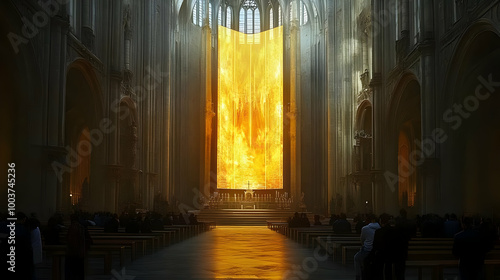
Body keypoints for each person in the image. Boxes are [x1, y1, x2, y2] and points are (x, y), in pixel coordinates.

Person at [372, 213, 408, 280]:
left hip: (384, 258)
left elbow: (375, 246)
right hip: (397, 258)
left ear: (380, 221)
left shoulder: (379, 232)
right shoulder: (399, 231)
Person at [66, 213, 93, 280]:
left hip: (73, 253)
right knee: (80, 272)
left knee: (72, 272)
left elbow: (70, 240)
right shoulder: (81, 227)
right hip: (80, 253)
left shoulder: (72, 227)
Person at [353, 214, 380, 280]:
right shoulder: (379, 227)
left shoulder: (365, 228)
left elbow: (362, 239)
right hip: (377, 250)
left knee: (356, 258)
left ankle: (358, 276)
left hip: (367, 249)